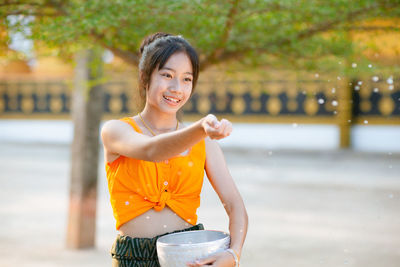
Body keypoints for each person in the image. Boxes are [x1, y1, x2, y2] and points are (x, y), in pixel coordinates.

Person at [101, 32, 248, 267]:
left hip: (190, 255)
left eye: (187, 79)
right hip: (133, 259)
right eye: (167, 75)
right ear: (144, 77)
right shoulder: (116, 131)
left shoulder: (205, 143)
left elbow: (234, 204)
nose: (176, 88)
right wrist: (201, 128)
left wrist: (234, 254)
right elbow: (151, 151)